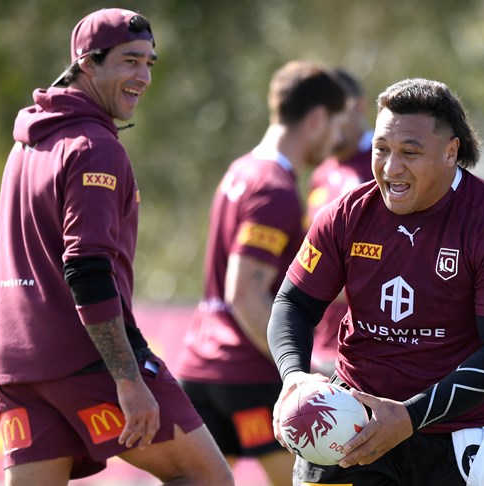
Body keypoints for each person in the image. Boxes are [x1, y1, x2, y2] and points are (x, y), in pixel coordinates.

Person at [0, 8, 232, 485]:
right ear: (88, 63)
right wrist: (128, 376)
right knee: (207, 478)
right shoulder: (94, 147)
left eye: (148, 63)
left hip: (19, 367)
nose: (142, 77)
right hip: (87, 358)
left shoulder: (27, 143)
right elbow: (86, 268)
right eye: (129, 61)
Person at [268, 78, 484, 485]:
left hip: (450, 441)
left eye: (410, 152)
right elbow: (293, 304)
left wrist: (411, 416)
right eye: (382, 149)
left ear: (451, 153)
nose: (391, 168)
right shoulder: (346, 215)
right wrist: (294, 376)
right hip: (351, 431)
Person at [174, 61, 347, 486]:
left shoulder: (241, 170)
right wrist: (300, 369)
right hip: (248, 374)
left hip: (201, 368)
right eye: (335, 126)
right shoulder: (274, 188)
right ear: (318, 118)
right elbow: (245, 291)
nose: (335, 141)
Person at [304, 68, 374, 376]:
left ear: (359, 106)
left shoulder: (385, 168)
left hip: (367, 353)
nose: (328, 125)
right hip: (319, 352)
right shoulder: (321, 173)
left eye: (337, 113)